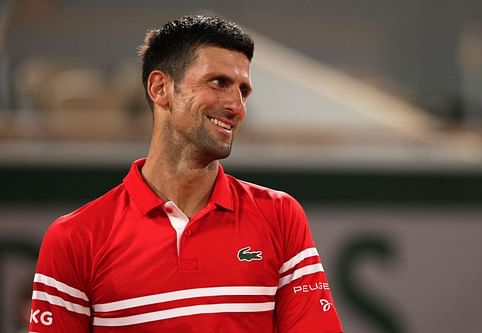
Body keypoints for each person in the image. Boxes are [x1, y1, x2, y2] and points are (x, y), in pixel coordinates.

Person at [29, 15, 343, 332]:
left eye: (243, 91)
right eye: (219, 83)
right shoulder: (74, 239)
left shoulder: (280, 216)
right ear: (160, 88)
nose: (236, 105)